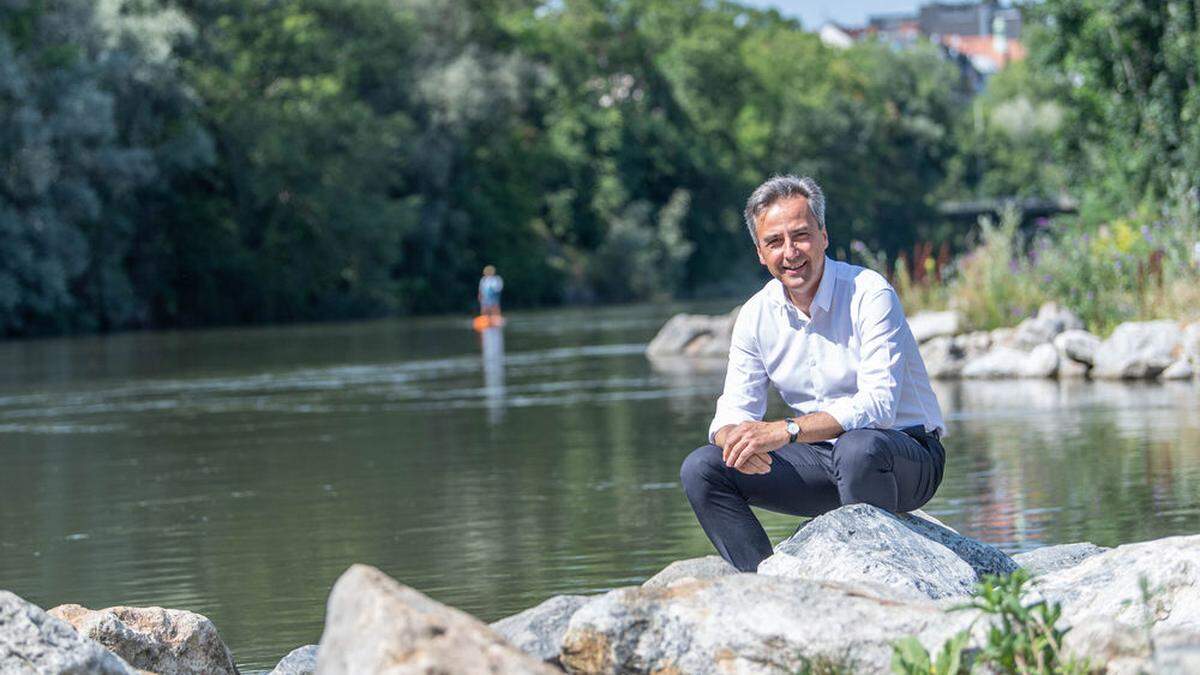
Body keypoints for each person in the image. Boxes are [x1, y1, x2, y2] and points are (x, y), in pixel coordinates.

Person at [679, 175, 947, 573]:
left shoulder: (869, 293)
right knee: (703, 468)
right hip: (823, 463)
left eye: (801, 236)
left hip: (904, 458)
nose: (790, 252)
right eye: (774, 242)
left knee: (858, 448)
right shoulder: (755, 315)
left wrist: (782, 431)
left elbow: (879, 408)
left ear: (823, 236)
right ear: (759, 253)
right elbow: (731, 411)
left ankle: (873, 580)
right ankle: (768, 584)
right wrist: (734, 440)